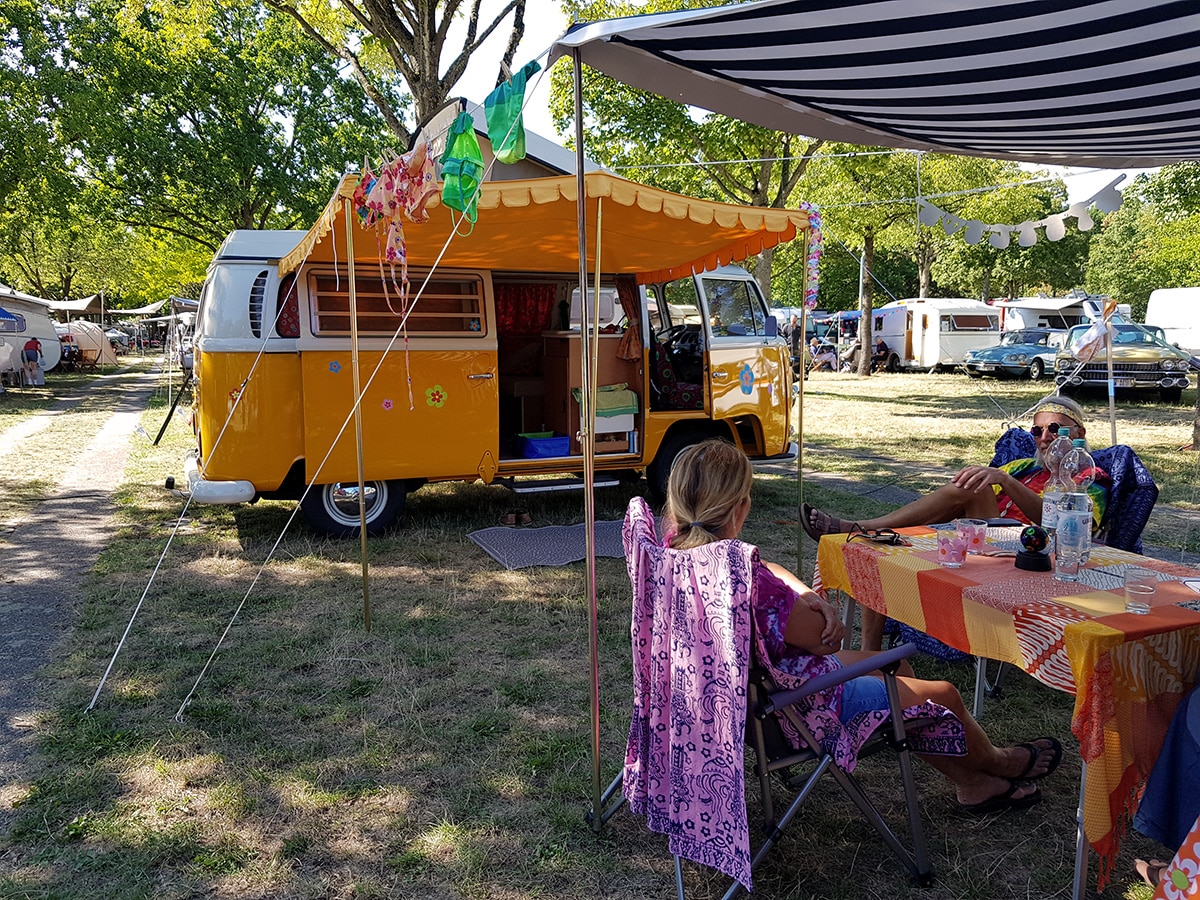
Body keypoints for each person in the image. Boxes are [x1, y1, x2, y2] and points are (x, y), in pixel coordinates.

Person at [661, 439, 1064, 812]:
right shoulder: (755, 587)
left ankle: (972, 783)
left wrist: (805, 594)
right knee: (942, 694)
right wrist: (816, 609)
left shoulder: (673, 558)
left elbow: (768, 570)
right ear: (740, 508)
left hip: (730, 702)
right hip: (794, 708)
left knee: (898, 670)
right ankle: (1000, 761)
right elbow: (822, 642)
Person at [801, 393, 1111, 650]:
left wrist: (1003, 480)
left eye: (1055, 430)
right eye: (1037, 431)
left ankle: (863, 526)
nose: (1045, 438)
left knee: (970, 489)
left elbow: (1067, 526)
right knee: (883, 549)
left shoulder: (1089, 476)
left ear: (1079, 434)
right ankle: (870, 650)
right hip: (986, 538)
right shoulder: (1022, 466)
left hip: (1037, 551)